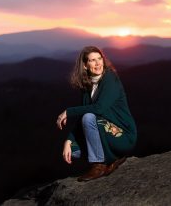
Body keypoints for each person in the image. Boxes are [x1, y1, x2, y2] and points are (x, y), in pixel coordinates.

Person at [56, 46, 137, 182]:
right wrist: (69, 140)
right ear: (85, 66)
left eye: (100, 58)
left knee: (89, 117)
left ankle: (99, 164)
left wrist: (68, 112)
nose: (98, 63)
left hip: (123, 135)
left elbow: (99, 109)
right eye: (93, 60)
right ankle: (112, 159)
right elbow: (82, 117)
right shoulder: (87, 87)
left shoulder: (110, 79)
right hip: (103, 129)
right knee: (74, 150)